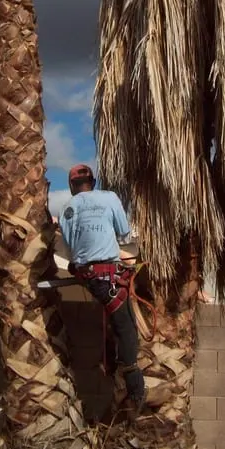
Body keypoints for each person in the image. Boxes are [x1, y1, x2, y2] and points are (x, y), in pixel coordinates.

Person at [58, 163, 146, 415]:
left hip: (90, 275)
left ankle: (111, 365)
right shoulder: (109, 198)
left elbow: (71, 246)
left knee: (115, 322)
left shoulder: (67, 207)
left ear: (72, 186)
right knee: (126, 327)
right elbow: (124, 233)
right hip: (107, 275)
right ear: (93, 182)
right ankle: (134, 386)